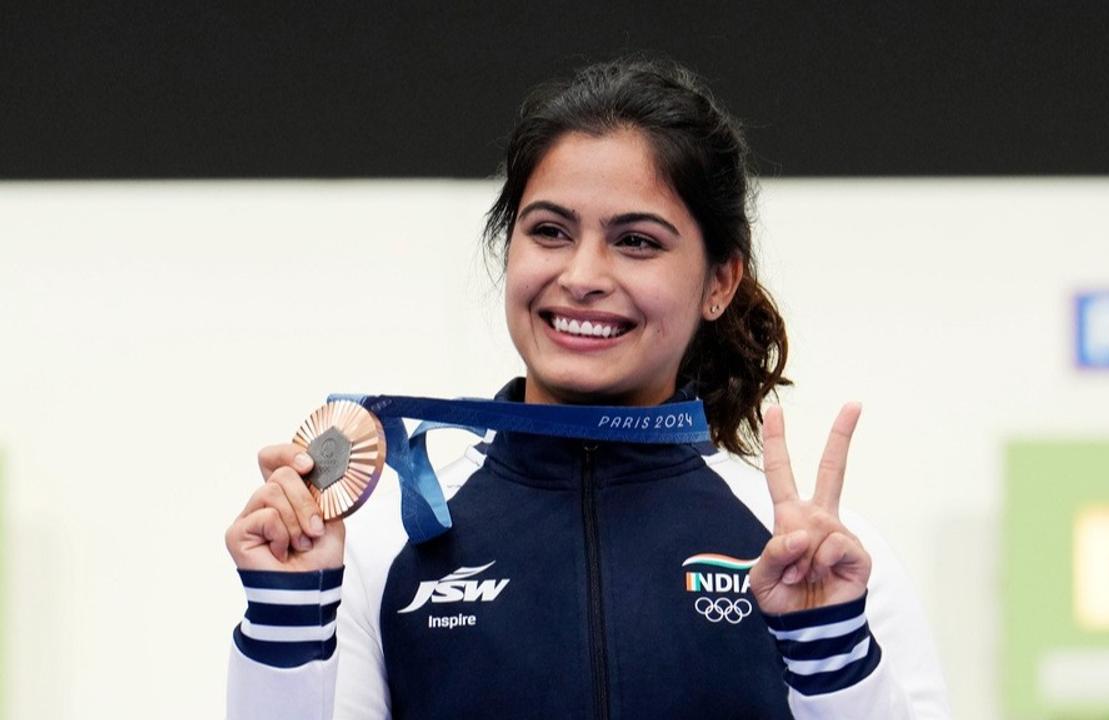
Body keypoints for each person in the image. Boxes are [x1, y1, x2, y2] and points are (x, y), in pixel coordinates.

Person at [225, 58, 950, 719]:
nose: (582, 276)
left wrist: (832, 662)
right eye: (549, 231)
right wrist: (287, 621)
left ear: (719, 283)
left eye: (637, 241)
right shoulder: (385, 544)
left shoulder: (813, 561)